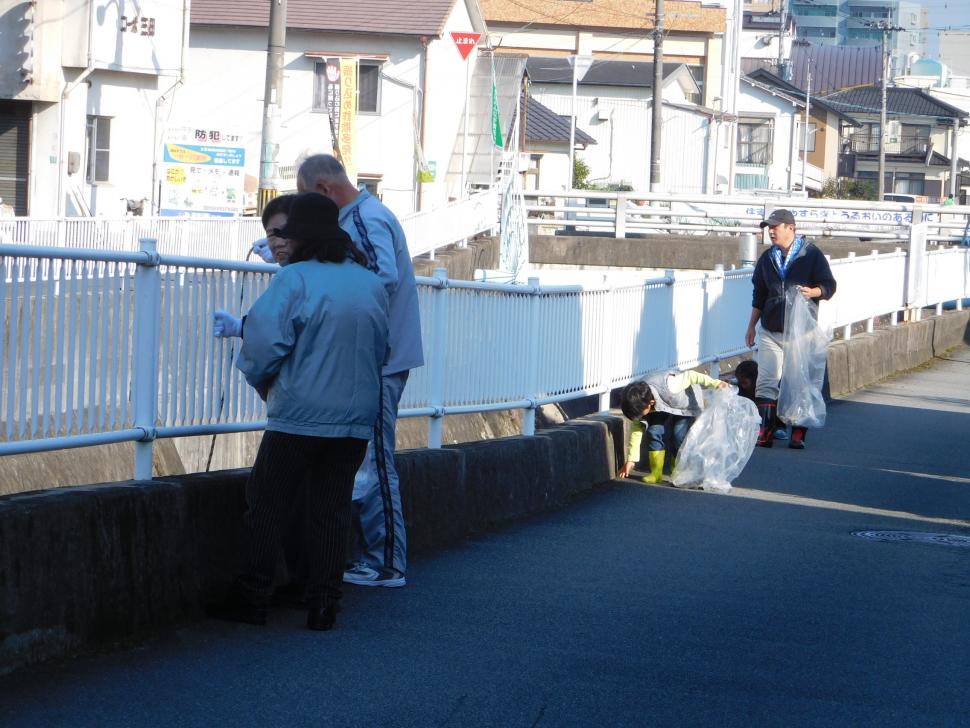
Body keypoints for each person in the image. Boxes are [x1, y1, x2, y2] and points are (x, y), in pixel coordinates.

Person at [207, 193, 388, 631]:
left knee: (267, 502)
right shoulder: (370, 283)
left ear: (300, 235)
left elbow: (263, 344)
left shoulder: (295, 280)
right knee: (330, 509)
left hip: (299, 416)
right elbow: (383, 348)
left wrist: (263, 382)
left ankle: (253, 596)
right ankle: (323, 602)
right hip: (354, 420)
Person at [297, 154, 423, 588]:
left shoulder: (365, 218)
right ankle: (378, 557)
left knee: (375, 460)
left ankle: (386, 562)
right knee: (369, 459)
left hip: (379, 358)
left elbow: (381, 278)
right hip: (381, 356)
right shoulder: (370, 214)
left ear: (323, 190)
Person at [744, 209, 836, 450]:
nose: (771, 231)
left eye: (776, 227)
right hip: (771, 330)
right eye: (769, 227)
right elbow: (759, 294)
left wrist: (814, 292)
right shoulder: (767, 258)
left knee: (798, 382)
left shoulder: (811, 254)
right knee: (767, 380)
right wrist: (751, 325)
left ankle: (798, 432)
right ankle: (766, 431)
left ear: (791, 228)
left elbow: (829, 285)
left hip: (801, 331)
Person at [616, 370, 728, 484]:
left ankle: (676, 472)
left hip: (683, 404)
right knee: (653, 431)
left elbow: (691, 375)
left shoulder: (672, 385)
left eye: (640, 413)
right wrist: (631, 460)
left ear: (650, 402)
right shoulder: (638, 402)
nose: (639, 416)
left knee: (678, 435)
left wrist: (715, 383)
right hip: (660, 406)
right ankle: (656, 473)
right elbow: (636, 431)